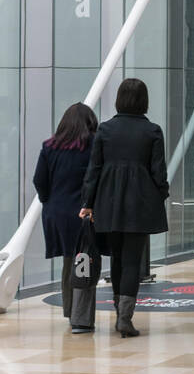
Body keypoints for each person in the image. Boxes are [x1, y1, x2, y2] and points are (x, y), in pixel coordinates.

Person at [80, 78, 169, 337]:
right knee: (132, 261)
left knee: (117, 259)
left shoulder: (105, 130)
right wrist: (160, 194)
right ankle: (125, 318)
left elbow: (93, 170)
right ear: (144, 101)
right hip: (140, 203)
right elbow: (158, 172)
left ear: (119, 99)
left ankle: (121, 312)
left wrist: (88, 203)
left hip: (108, 202)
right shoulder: (152, 131)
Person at [33, 102, 100, 334]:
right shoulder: (92, 145)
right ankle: (80, 318)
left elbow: (39, 180)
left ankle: (71, 311)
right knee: (83, 260)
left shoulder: (50, 146)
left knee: (68, 261)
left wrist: (48, 201)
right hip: (82, 212)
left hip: (55, 212)